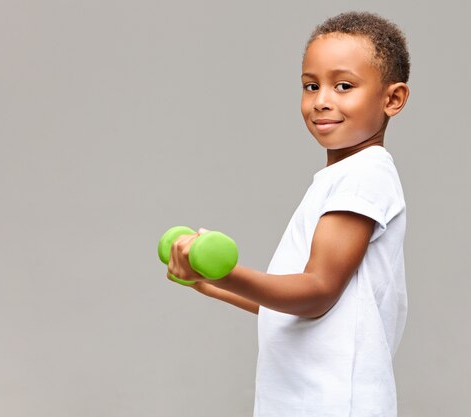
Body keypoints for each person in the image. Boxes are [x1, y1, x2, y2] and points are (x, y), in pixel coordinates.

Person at [168, 11, 411, 417]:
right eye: (311, 85)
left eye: (344, 86)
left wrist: (228, 272)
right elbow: (307, 307)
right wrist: (211, 283)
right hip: (302, 400)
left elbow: (317, 291)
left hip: (333, 403)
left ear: (392, 99)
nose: (321, 100)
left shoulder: (365, 175)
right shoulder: (342, 178)